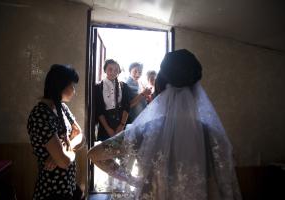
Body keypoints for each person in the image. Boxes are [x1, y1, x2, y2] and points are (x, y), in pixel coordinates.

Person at [87, 49, 242, 200]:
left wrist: (132, 180)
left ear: (160, 88)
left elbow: (94, 154)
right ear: (196, 92)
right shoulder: (214, 136)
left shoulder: (146, 131)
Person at [27, 64, 85, 200]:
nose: (74, 91)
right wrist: (64, 154)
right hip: (52, 190)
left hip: (68, 185)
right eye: (72, 86)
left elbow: (81, 136)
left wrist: (63, 149)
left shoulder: (62, 107)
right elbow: (64, 162)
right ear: (60, 86)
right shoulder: (40, 114)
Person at [95, 59, 130, 141]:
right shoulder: (98, 87)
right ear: (105, 70)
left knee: (120, 151)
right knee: (105, 150)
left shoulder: (124, 86)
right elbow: (99, 109)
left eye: (116, 70)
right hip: (105, 125)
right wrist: (108, 129)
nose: (113, 72)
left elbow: (126, 106)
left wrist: (121, 125)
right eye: (110, 69)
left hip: (121, 122)